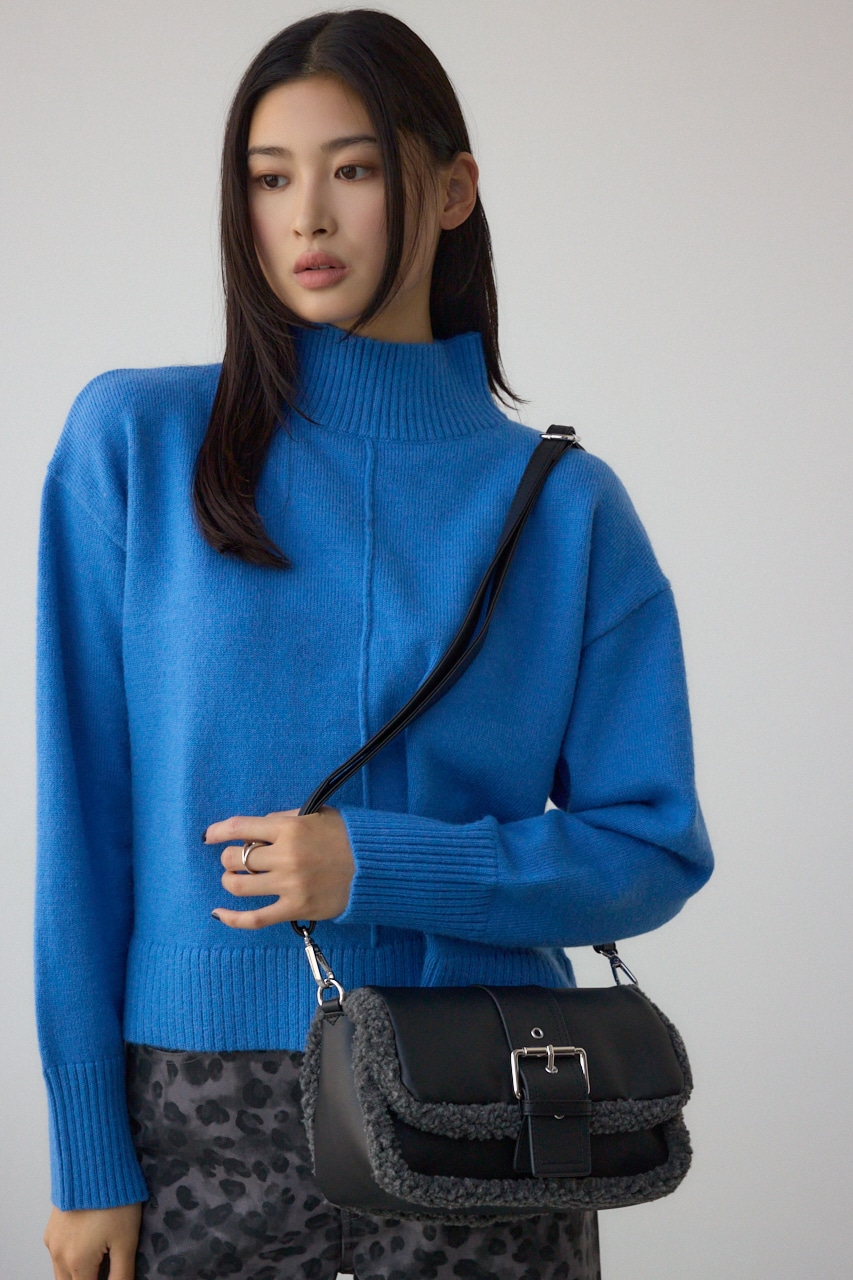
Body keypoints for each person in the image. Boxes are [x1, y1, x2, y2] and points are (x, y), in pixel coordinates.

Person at [35, 9, 714, 1279]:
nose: (306, 216)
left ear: (450, 190)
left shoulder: (565, 508)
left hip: (486, 1089)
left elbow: (652, 848)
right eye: (267, 177)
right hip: (195, 1106)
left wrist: (380, 866)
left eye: (351, 169)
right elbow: (82, 822)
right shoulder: (135, 444)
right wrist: (86, 1151)